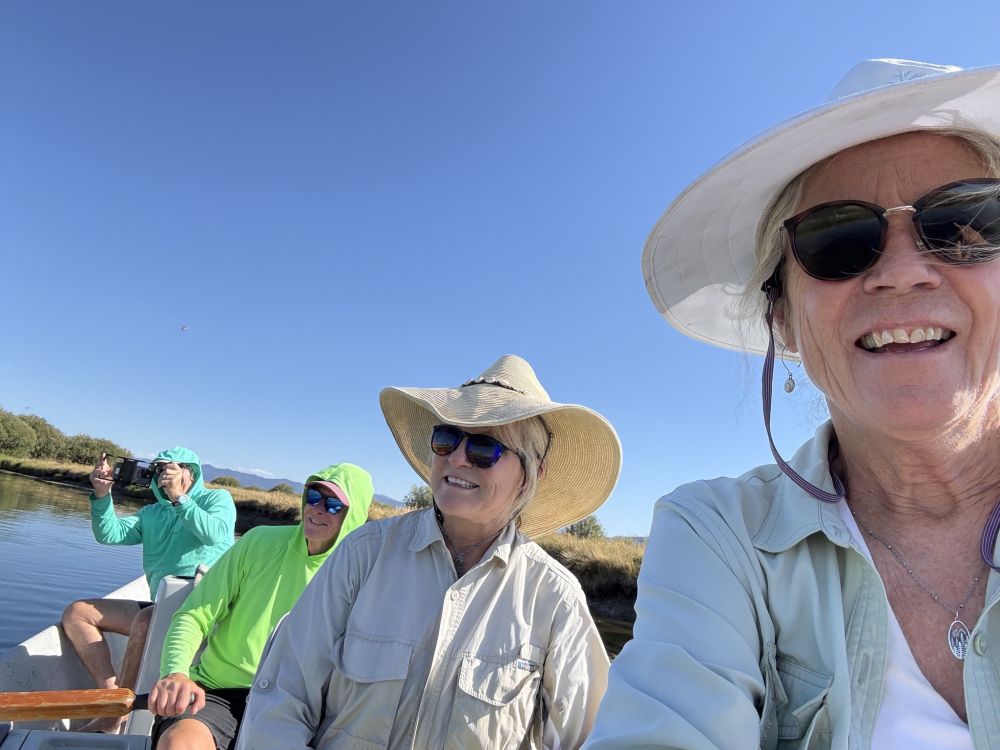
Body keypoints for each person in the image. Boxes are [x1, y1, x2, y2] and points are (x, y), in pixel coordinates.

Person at [584, 58, 1000, 749]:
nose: (900, 272)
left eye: (965, 223)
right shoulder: (719, 535)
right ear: (783, 319)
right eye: (839, 241)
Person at [235, 354, 622, 750]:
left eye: (484, 449)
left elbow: (597, 738)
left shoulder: (554, 598)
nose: (455, 458)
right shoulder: (363, 555)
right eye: (447, 438)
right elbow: (280, 698)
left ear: (533, 471)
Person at [147, 463, 374, 750]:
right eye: (314, 497)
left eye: (332, 505)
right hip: (218, 693)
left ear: (352, 516)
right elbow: (194, 615)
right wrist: (176, 673)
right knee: (179, 744)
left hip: (296, 707)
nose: (317, 509)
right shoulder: (258, 542)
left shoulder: (361, 578)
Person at [62, 446, 235, 733]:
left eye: (168, 469)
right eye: (157, 470)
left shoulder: (217, 499)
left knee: (146, 620)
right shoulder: (151, 513)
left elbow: (214, 533)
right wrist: (103, 496)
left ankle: (114, 717)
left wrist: (181, 498)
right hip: (162, 607)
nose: (161, 476)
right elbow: (109, 534)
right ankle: (113, 692)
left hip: (207, 613)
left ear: (189, 473)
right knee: (78, 613)